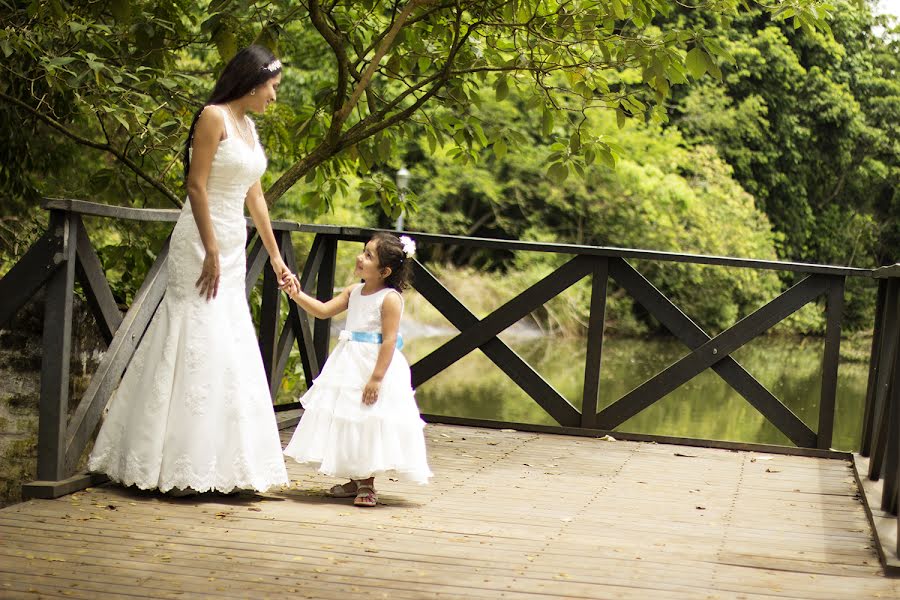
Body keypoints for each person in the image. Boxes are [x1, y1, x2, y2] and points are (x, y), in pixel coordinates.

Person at [88, 45, 290, 496]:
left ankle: (224, 466)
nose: (274, 97)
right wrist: (211, 248)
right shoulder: (213, 116)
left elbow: (255, 197)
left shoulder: (249, 126)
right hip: (201, 238)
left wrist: (275, 254)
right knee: (195, 332)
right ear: (254, 82)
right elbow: (196, 185)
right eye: (273, 88)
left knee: (229, 338)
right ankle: (170, 463)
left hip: (234, 242)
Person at [281, 233, 432, 506]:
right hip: (348, 362)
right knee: (349, 417)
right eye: (363, 252)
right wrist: (297, 294)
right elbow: (324, 311)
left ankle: (368, 484)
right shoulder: (354, 291)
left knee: (367, 418)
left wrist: (376, 378)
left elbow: (389, 340)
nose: (360, 258)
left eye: (368, 256)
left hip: (373, 365)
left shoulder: (390, 299)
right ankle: (356, 479)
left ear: (384, 271)